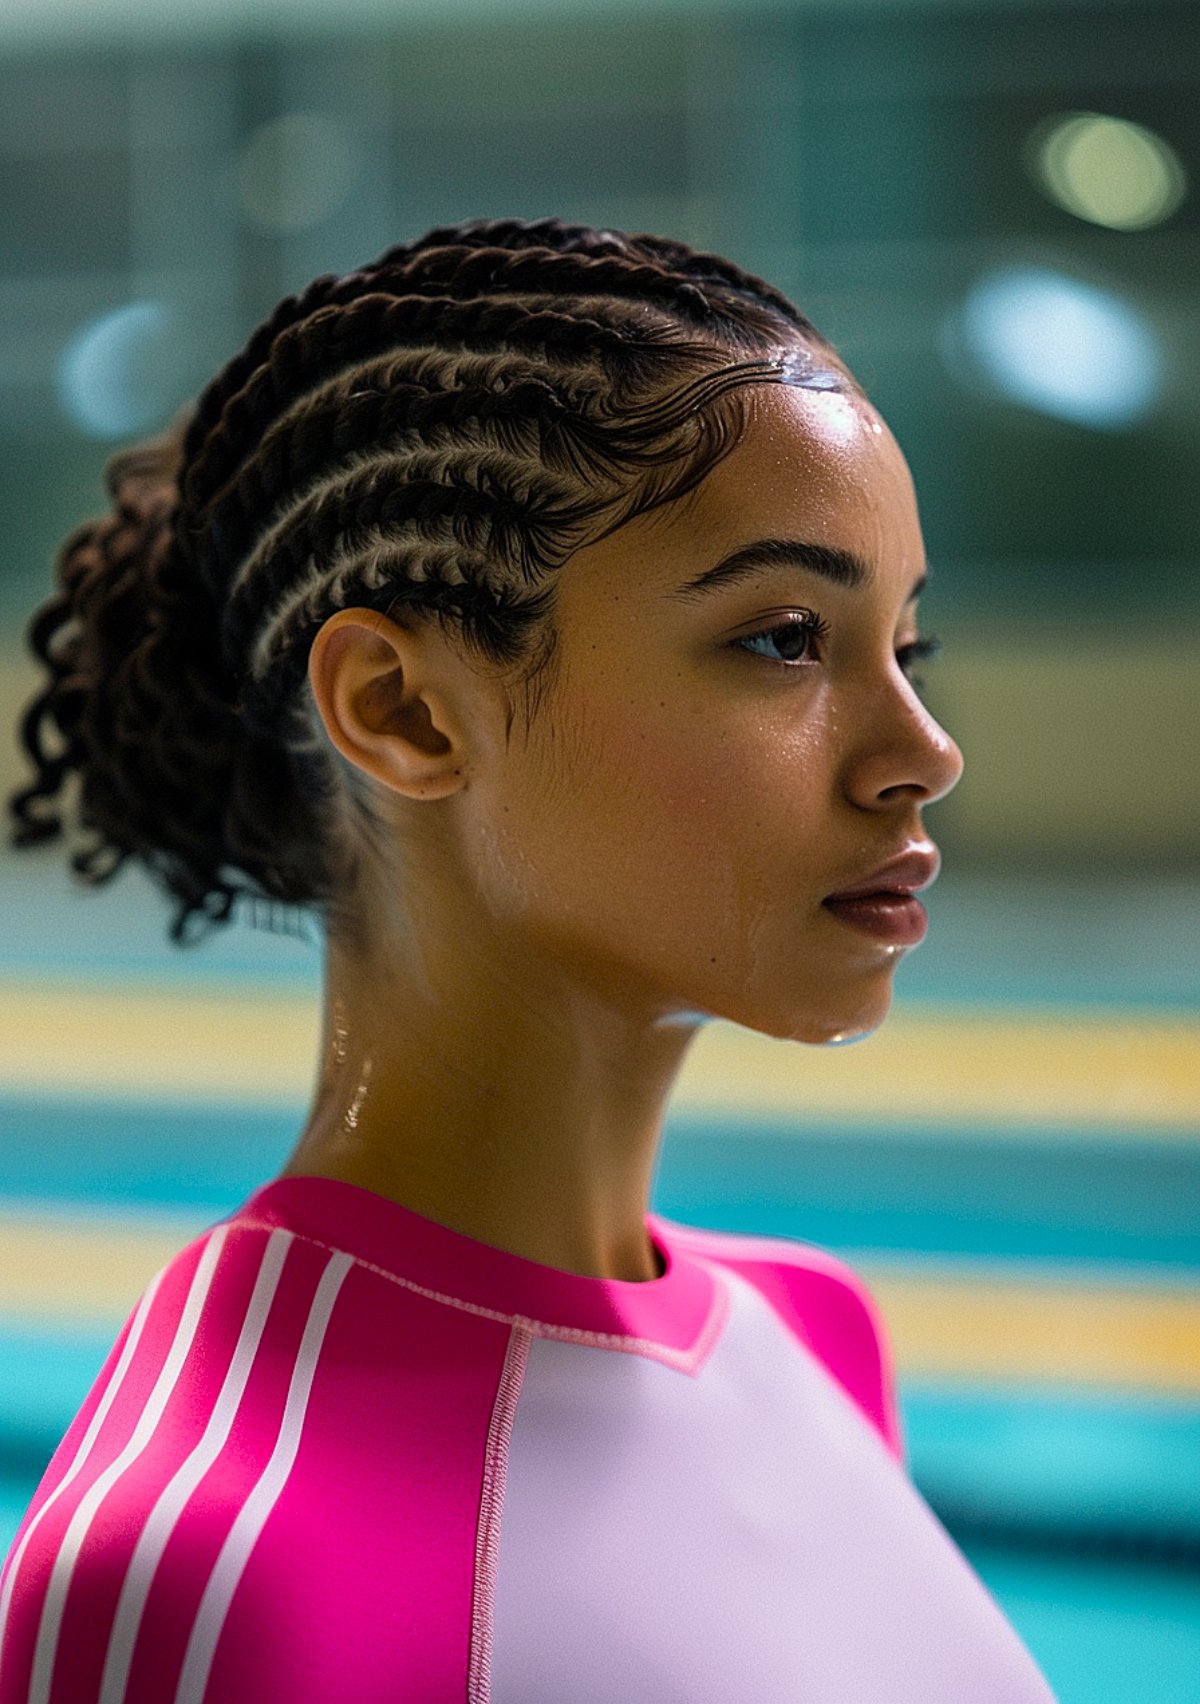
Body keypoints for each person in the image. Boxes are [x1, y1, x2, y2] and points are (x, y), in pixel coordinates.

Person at [0, 217, 1055, 1702]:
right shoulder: (212, 1563)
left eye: (908, 648)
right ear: (406, 711)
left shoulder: (811, 1334)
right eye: (786, 639)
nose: (922, 753)